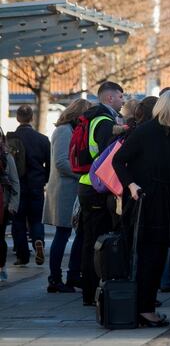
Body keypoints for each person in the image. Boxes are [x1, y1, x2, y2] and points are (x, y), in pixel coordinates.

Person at [112, 89, 170, 327]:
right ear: (168, 108)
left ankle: (146, 305)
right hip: (144, 203)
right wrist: (131, 185)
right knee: (147, 258)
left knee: (157, 256)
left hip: (165, 203)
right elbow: (118, 160)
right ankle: (144, 309)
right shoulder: (144, 132)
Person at [78, 81, 124, 306]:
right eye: (120, 97)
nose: (123, 101)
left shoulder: (94, 118)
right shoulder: (104, 121)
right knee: (95, 242)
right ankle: (91, 292)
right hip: (96, 188)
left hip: (89, 184)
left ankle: (89, 291)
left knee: (90, 240)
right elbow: (110, 156)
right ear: (110, 98)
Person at [43, 99, 92, 293]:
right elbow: (62, 163)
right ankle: (55, 278)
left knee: (79, 234)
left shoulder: (71, 130)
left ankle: (73, 275)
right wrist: (85, 174)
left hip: (72, 191)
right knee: (62, 235)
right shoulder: (63, 131)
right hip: (64, 192)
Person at [11, 104, 50, 266]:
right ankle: (38, 241)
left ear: (17, 118)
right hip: (36, 184)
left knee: (18, 221)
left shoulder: (10, 139)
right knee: (36, 219)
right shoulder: (42, 139)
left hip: (17, 187)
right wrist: (44, 179)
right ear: (32, 118)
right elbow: (49, 163)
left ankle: (22, 255)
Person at [0, 128, 21, 282]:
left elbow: (15, 182)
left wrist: (13, 204)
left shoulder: (7, 158)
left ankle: (1, 267)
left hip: (3, 204)